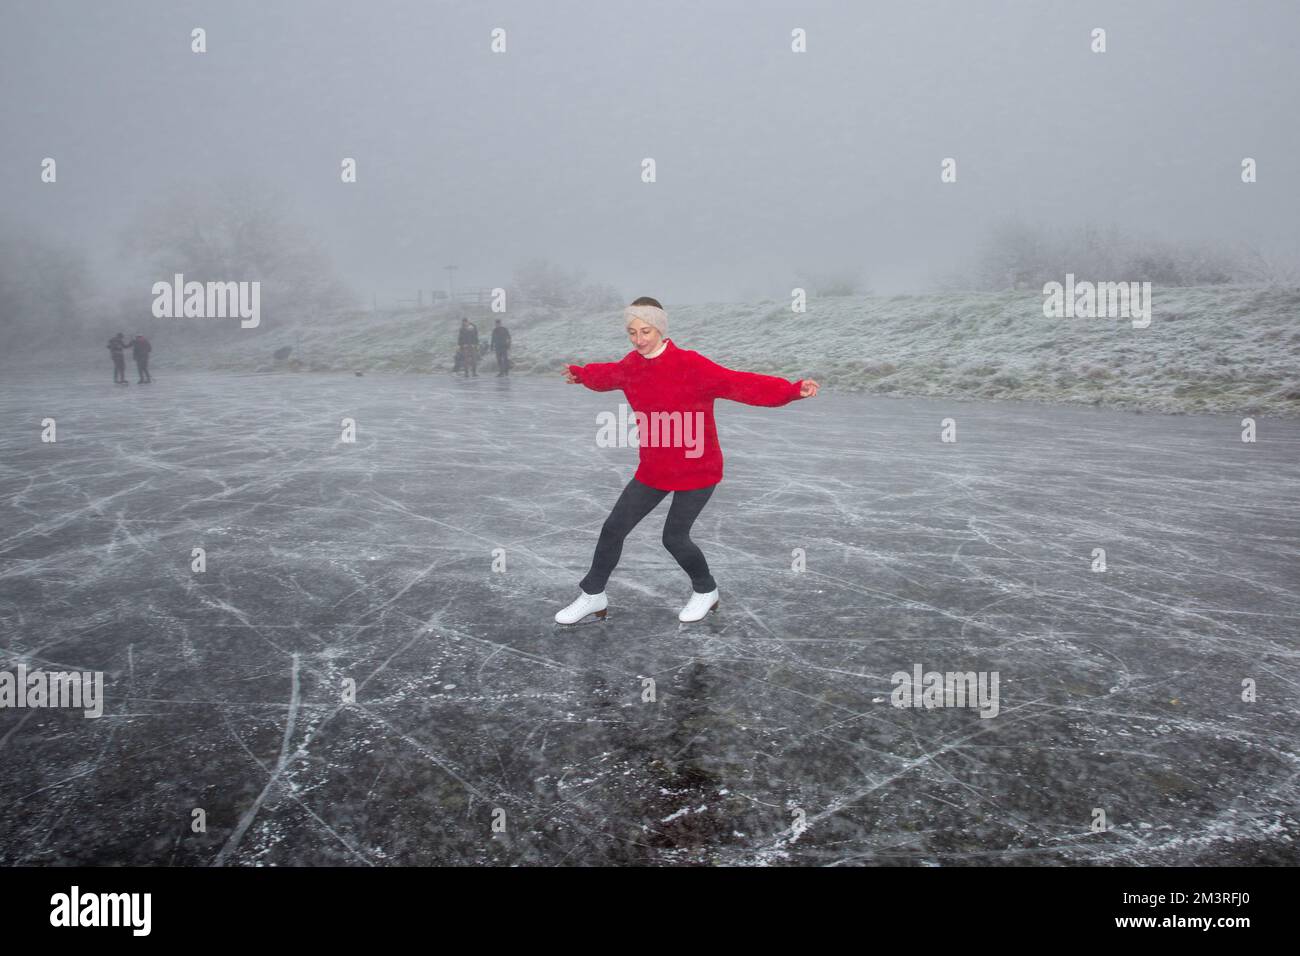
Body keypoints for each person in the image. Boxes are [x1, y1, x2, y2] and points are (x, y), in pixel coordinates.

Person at [556, 297, 820, 625]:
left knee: (674, 538)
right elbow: (606, 374)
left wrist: (792, 391)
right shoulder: (631, 366)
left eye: (646, 331)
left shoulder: (690, 365)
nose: (639, 339)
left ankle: (706, 591)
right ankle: (593, 596)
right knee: (613, 529)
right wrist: (580, 374)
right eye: (632, 332)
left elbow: (740, 384)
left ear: (661, 329)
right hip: (655, 469)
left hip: (699, 468)